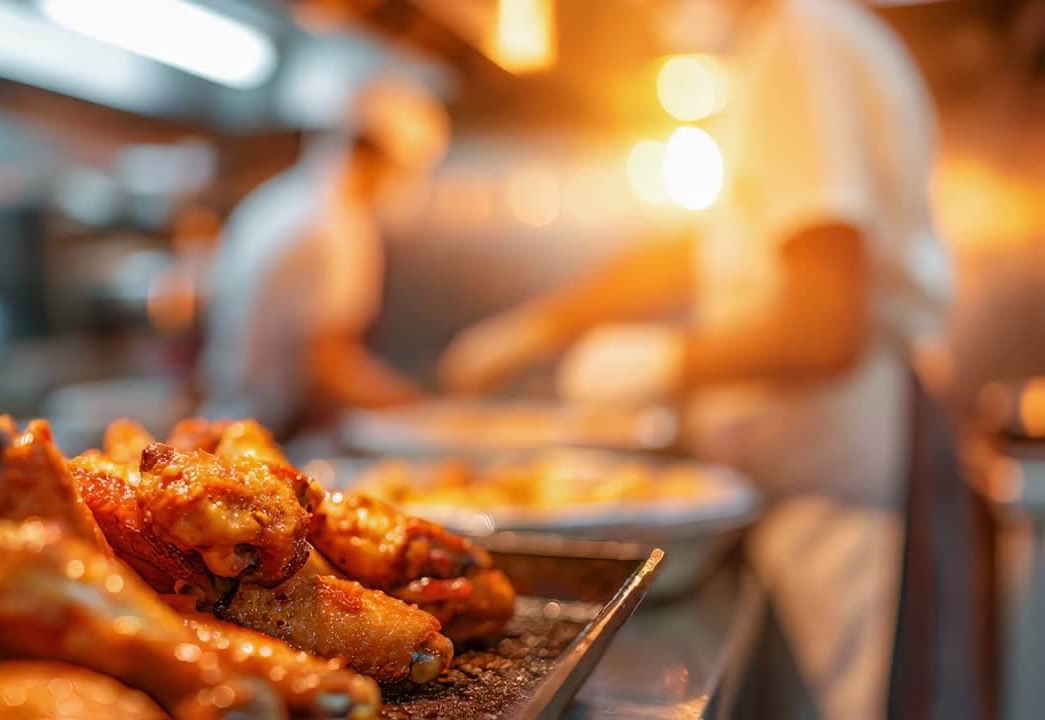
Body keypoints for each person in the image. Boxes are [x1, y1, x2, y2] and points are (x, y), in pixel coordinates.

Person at [438, 1, 952, 717]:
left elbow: (827, 326)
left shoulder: (805, 43)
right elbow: (703, 247)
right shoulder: (785, 44)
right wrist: (543, 323)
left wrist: (663, 362)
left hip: (834, 484)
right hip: (792, 479)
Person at [202, 79, 449, 433]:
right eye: (406, 171)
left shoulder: (280, 200)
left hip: (233, 419)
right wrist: (424, 411)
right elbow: (328, 366)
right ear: (371, 156)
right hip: (276, 432)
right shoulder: (334, 227)